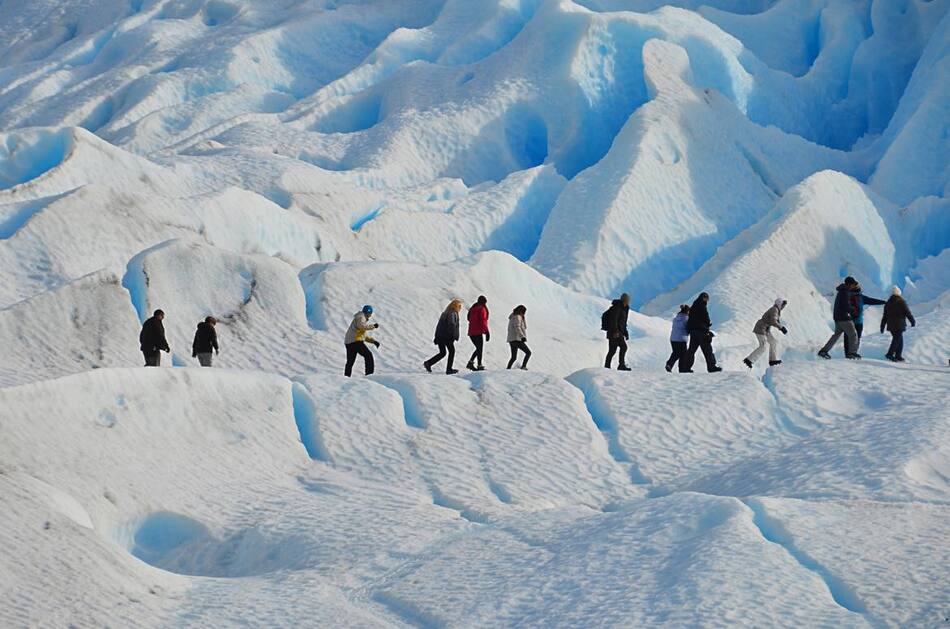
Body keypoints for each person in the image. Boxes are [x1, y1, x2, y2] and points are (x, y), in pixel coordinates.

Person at [818, 277, 861, 359]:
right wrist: (853, 310)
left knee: (836, 335)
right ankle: (852, 353)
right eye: (853, 284)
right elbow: (846, 306)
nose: (853, 286)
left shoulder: (842, 291)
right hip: (844, 317)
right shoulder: (845, 292)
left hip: (838, 317)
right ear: (849, 284)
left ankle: (823, 351)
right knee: (853, 334)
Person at [682, 292, 722, 372]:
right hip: (701, 331)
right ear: (704, 298)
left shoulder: (693, 306)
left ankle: (686, 368)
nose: (707, 300)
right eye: (706, 298)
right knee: (708, 350)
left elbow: (691, 320)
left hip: (693, 332)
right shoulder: (702, 306)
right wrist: (707, 326)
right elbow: (706, 318)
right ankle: (711, 367)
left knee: (691, 351)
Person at [743, 299, 788, 369]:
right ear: (779, 304)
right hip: (761, 329)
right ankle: (749, 360)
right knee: (763, 346)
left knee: (773, 342)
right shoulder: (774, 310)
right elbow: (773, 321)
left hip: (766, 330)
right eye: (783, 305)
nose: (783, 307)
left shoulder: (776, 310)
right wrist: (781, 327)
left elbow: (774, 320)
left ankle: (772, 360)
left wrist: (780, 326)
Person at [845, 280, 886, 354]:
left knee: (848, 337)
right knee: (857, 337)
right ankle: (853, 353)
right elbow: (872, 301)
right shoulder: (860, 297)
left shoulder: (848, 296)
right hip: (858, 321)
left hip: (849, 320)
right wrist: (884, 302)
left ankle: (848, 353)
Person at [424, 299, 462, 374]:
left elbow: (439, 326)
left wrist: (437, 336)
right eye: (459, 306)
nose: (460, 308)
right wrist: (452, 336)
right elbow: (452, 325)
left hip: (441, 336)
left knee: (442, 353)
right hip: (447, 336)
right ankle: (449, 369)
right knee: (451, 351)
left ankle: (428, 363)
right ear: (456, 306)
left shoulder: (446, 312)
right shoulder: (453, 313)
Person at [881, 286, 915, 362]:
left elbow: (885, 316)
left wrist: (882, 326)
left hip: (891, 325)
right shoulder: (901, 301)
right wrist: (912, 321)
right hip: (899, 324)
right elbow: (907, 312)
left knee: (899, 339)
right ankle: (890, 354)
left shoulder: (888, 302)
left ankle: (898, 356)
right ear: (899, 293)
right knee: (897, 339)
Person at [344, 305, 380, 377]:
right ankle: (369, 375)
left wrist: (373, 341)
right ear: (367, 313)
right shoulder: (361, 317)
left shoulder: (360, 318)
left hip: (349, 343)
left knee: (350, 362)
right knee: (368, 356)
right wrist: (373, 326)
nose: (370, 316)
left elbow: (363, 336)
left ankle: (346, 377)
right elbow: (362, 327)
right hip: (355, 342)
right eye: (370, 314)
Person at [602, 292, 631, 371]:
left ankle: (607, 366)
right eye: (627, 300)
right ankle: (621, 365)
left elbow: (623, 323)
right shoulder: (617, 308)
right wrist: (616, 331)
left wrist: (625, 332)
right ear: (625, 300)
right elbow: (613, 320)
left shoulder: (624, 309)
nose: (628, 301)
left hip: (616, 333)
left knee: (612, 350)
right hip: (615, 333)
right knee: (623, 347)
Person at [466, 295, 490, 371]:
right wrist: (487, 331)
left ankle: (471, 363)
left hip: (471, 332)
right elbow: (483, 321)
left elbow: (469, 319)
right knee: (480, 349)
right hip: (478, 332)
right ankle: (479, 365)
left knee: (478, 348)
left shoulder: (472, 309)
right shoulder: (482, 309)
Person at [665, 304, 690, 372]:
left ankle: (669, 364)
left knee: (676, 353)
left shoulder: (676, 318)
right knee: (683, 355)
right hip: (681, 339)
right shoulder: (687, 319)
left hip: (673, 339)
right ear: (687, 311)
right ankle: (681, 369)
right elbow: (688, 328)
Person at [506, 305, 531, 370]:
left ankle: (508, 369)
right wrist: (522, 336)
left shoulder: (513, 316)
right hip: (517, 339)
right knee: (528, 352)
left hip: (511, 339)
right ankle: (523, 366)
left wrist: (523, 318)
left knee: (513, 357)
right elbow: (518, 327)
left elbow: (524, 327)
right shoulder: (518, 317)